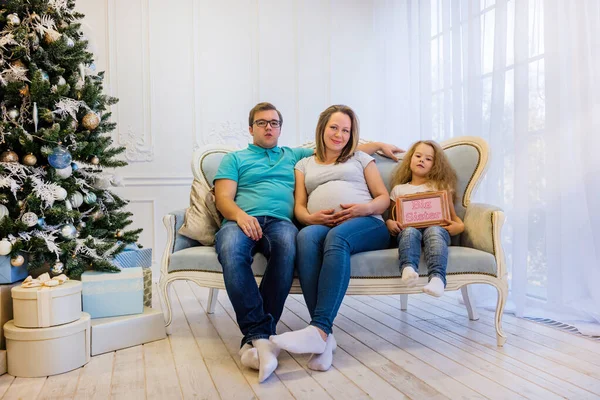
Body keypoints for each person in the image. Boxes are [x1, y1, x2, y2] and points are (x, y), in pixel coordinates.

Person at [213, 102, 402, 382]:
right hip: (243, 220)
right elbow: (224, 199)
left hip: (290, 223)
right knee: (235, 249)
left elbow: (341, 150)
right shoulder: (238, 159)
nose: (268, 127)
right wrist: (243, 217)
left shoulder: (294, 155)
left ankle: (315, 331)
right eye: (262, 122)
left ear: (280, 128)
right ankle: (261, 335)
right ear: (251, 128)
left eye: (274, 123)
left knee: (288, 247)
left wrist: (377, 145)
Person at [269, 105, 391, 372]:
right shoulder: (304, 164)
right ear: (322, 128)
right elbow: (299, 207)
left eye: (346, 130)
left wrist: (363, 209)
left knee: (337, 238)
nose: (339, 134)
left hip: (367, 223)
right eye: (334, 127)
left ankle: (319, 330)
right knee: (306, 238)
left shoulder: (360, 158)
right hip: (321, 224)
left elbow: (384, 198)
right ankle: (325, 338)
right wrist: (310, 219)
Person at [386, 140, 464, 297]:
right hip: (409, 232)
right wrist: (389, 223)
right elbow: (391, 217)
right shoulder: (399, 190)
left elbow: (455, 219)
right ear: (410, 159)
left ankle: (437, 279)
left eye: (428, 159)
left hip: (436, 232)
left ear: (436, 165)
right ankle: (408, 268)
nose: (422, 160)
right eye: (418, 156)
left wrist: (458, 227)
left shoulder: (440, 188)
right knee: (409, 232)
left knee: (434, 230)